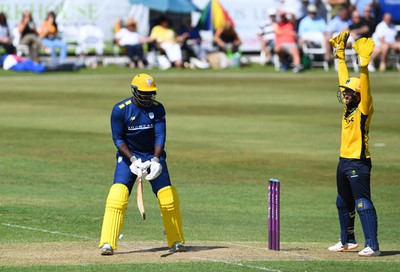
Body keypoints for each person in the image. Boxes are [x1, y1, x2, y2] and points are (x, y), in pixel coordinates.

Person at [99, 73, 185, 255]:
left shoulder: (158, 108)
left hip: (153, 155)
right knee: (118, 195)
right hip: (129, 156)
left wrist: (155, 160)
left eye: (150, 93)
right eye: (144, 93)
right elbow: (118, 138)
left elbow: (160, 136)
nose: (147, 97)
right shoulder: (120, 110)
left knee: (167, 197)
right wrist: (132, 160)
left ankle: (176, 240)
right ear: (134, 91)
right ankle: (108, 243)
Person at [328, 30, 380, 257]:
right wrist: (339, 55)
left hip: (358, 163)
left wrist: (363, 66)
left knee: (362, 204)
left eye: (350, 92)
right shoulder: (348, 108)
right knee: (343, 202)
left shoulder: (363, 110)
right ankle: (347, 240)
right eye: (345, 92)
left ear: (358, 95)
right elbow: (343, 80)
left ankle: (373, 246)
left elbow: (365, 89)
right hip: (343, 161)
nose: (345, 95)